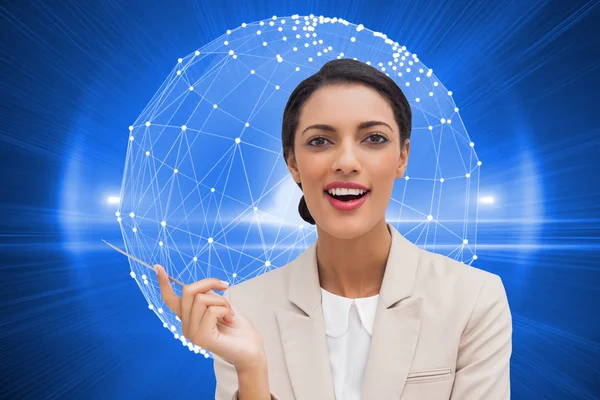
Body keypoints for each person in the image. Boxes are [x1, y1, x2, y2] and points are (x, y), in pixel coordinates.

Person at [156, 58, 512, 400]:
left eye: (374, 138)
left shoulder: (473, 299)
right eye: (320, 141)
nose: (346, 162)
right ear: (293, 163)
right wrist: (252, 369)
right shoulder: (241, 309)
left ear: (402, 157)